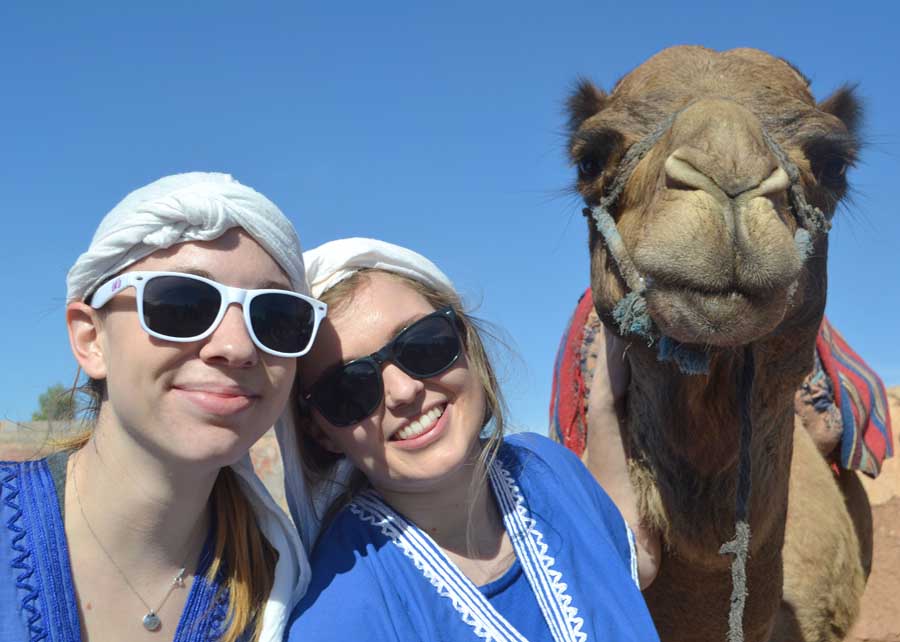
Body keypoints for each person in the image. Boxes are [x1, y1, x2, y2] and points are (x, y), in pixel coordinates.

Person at [281, 237, 661, 642]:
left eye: (422, 344)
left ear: (464, 339)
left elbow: (632, 562)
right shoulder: (343, 612)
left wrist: (604, 407)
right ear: (320, 431)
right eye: (350, 387)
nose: (404, 391)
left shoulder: (544, 465)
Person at [0, 173, 324, 642]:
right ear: (91, 339)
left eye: (275, 317)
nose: (236, 347)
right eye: (182, 304)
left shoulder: (288, 594)